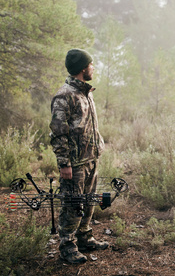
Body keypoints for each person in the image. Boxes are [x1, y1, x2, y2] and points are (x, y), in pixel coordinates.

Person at [49, 48, 108, 264]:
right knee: (73, 204)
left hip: (90, 158)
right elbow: (58, 133)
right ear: (83, 69)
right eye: (91, 64)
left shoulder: (86, 92)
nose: (93, 67)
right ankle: (67, 246)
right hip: (74, 164)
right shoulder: (64, 96)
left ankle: (85, 238)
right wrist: (64, 163)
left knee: (89, 201)